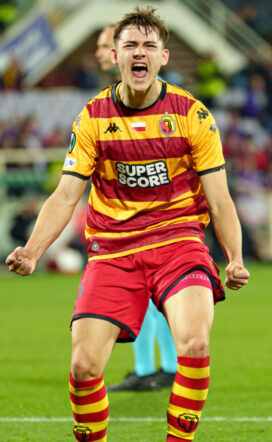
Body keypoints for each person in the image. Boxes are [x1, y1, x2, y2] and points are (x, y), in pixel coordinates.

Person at [5, 7, 250, 441]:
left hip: (179, 244)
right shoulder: (93, 118)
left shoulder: (192, 116)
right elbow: (66, 195)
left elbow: (220, 198)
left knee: (195, 344)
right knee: (83, 368)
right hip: (113, 251)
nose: (140, 53)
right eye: (131, 45)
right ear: (115, 55)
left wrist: (234, 258)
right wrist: (32, 250)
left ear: (164, 57)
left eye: (149, 46)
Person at [95, 23, 179, 393]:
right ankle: (154, 367)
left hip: (159, 222)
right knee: (150, 300)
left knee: (155, 297)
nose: (98, 52)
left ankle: (159, 367)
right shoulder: (103, 104)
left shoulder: (164, 102)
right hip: (131, 220)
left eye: (103, 44)